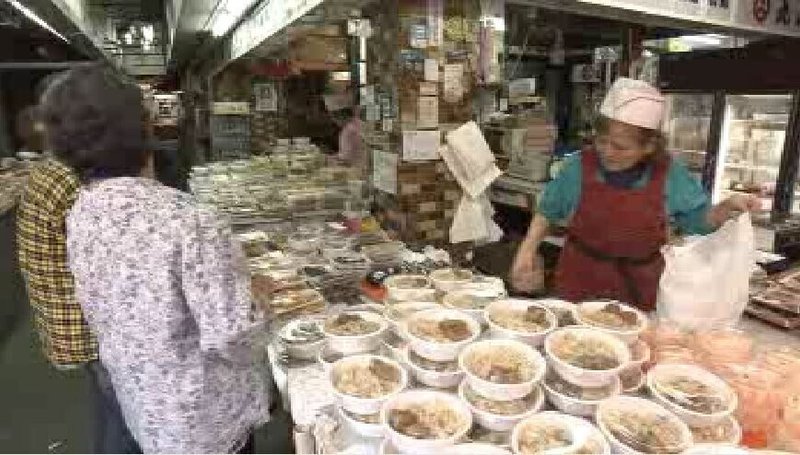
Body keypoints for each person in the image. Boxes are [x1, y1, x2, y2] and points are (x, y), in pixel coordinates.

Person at [41, 64, 269, 453]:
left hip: (145, 407)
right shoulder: (190, 220)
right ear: (144, 128)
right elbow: (234, 337)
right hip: (207, 421)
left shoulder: (83, 212)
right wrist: (256, 301)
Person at [510, 78, 760, 311]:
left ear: (648, 147)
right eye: (601, 141)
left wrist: (724, 210)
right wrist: (527, 250)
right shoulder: (579, 166)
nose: (607, 151)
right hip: (579, 279)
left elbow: (698, 220)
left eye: (620, 146)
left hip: (639, 288)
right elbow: (548, 210)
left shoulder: (669, 175)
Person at [16, 100, 140, 452]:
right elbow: (112, 253)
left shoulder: (51, 172)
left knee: (110, 408)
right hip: (86, 324)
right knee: (127, 417)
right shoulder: (69, 180)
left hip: (69, 318)